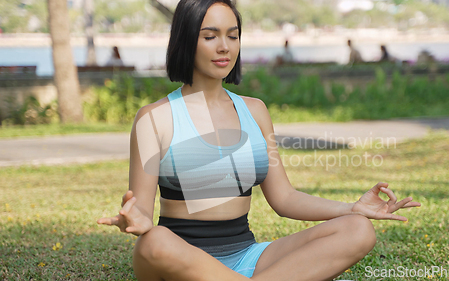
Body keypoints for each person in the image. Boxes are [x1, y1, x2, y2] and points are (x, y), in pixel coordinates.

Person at [97, 1, 421, 280]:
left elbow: (284, 198)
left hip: (247, 258)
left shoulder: (255, 111)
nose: (224, 46)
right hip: (180, 256)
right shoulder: (155, 117)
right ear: (186, 40)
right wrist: (135, 219)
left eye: (232, 35)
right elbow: (139, 208)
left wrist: (352, 208)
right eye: (210, 36)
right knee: (155, 242)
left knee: (357, 229)